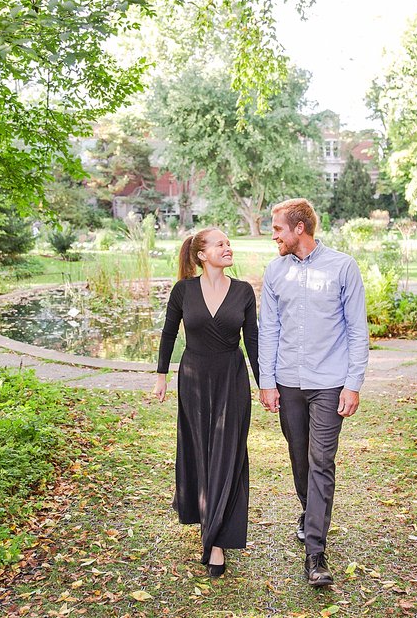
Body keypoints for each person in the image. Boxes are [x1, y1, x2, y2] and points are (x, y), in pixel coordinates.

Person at [257, 198, 369, 587]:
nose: (273, 236)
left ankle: (315, 553)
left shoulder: (342, 267)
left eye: (277, 229)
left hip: (329, 382)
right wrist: (267, 382)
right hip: (288, 381)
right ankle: (310, 513)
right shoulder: (275, 271)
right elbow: (268, 329)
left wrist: (353, 383)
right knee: (299, 460)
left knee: (321, 459)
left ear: (299, 229)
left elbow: (357, 328)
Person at [154, 228, 259, 578]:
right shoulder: (183, 291)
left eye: (229, 244)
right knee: (201, 450)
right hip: (195, 377)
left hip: (231, 378)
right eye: (220, 244)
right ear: (202, 254)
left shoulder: (243, 292)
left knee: (228, 454)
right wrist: (160, 376)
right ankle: (202, 511)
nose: (228, 248)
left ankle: (214, 540)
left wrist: (265, 385)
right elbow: (170, 333)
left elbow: (253, 341)